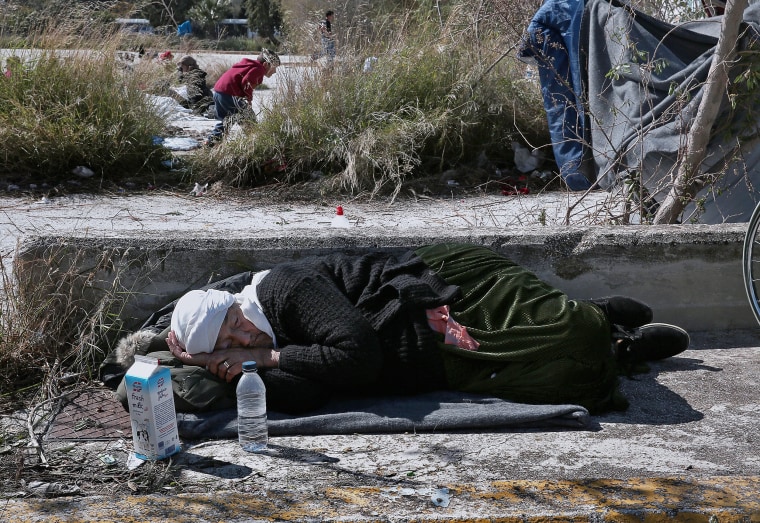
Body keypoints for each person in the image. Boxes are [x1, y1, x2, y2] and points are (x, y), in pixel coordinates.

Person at [108, 243, 690, 415]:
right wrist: (219, 368)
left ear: (236, 308)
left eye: (233, 329)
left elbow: (356, 357)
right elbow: (313, 391)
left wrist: (262, 361)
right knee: (556, 376)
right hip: (424, 358)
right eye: (227, 348)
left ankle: (601, 319)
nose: (241, 342)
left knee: (564, 335)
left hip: (437, 299)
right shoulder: (251, 356)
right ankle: (621, 347)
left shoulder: (282, 290)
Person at [206, 49, 280, 144]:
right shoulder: (259, 69)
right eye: (274, 68)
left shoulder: (249, 65)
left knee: (228, 119)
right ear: (266, 64)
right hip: (229, 94)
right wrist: (249, 99)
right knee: (248, 117)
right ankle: (254, 141)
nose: (275, 72)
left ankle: (212, 142)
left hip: (218, 92)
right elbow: (246, 82)